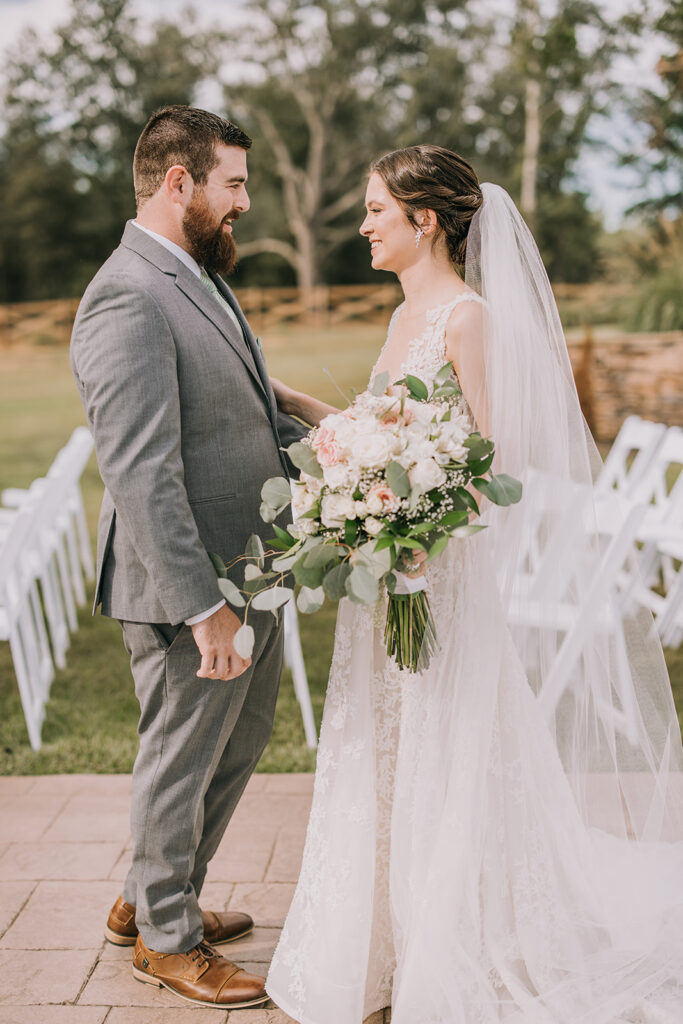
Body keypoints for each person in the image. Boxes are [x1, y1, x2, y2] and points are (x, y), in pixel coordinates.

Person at [265, 146, 683, 1023]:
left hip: (439, 576)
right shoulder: (400, 313)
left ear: (424, 221)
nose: (363, 225)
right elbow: (382, 431)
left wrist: (422, 526)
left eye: (376, 209)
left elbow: (503, 455)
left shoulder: (465, 316)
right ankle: (378, 947)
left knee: (443, 744)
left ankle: (447, 942)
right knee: (385, 746)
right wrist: (300, 408)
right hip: (388, 575)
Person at [70, 104, 307, 1010]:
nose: (243, 201)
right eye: (233, 183)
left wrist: (334, 432)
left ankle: (155, 895)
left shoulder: (194, 273)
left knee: (237, 741)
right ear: (181, 182)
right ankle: (165, 942)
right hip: (193, 583)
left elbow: (237, 400)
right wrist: (202, 602)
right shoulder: (125, 293)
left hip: (254, 565)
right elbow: (139, 469)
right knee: (182, 753)